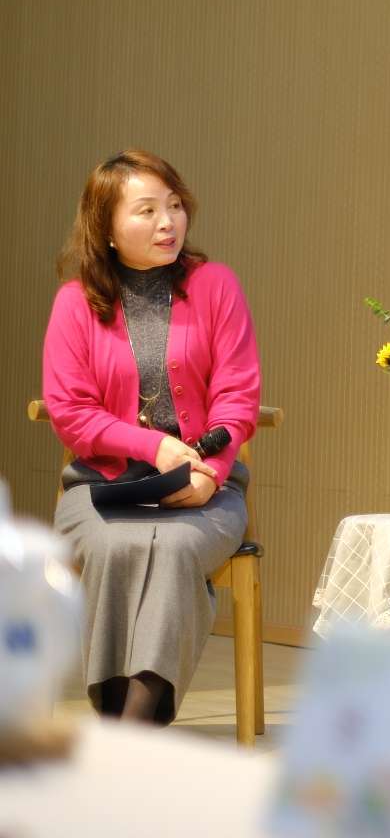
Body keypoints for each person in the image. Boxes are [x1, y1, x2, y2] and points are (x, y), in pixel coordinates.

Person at [41, 151, 259, 725]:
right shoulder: (74, 302)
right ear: (107, 228)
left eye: (174, 205)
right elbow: (70, 412)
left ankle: (128, 731)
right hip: (101, 488)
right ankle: (129, 730)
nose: (168, 222)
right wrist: (152, 446)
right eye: (146, 210)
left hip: (206, 488)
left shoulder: (216, 286)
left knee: (177, 549)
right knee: (116, 549)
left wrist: (212, 471)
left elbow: (237, 395)